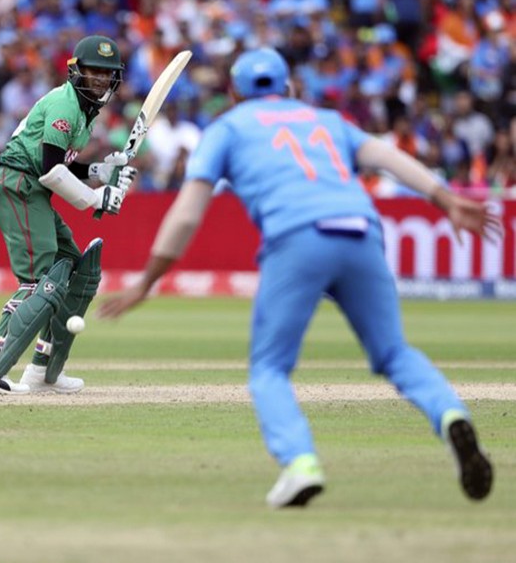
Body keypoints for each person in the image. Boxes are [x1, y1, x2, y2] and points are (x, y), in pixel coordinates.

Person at [99, 47, 498, 508]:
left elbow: (187, 215)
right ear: (288, 88)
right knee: (394, 353)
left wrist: (147, 282)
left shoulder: (227, 128)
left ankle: (300, 464)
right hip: (362, 231)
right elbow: (386, 156)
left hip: (296, 239)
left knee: (270, 368)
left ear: (233, 94)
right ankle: (450, 415)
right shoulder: (324, 119)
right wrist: (443, 197)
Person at [0, 35, 137, 395]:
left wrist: (101, 171)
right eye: (93, 72)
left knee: (73, 267)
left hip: (31, 190)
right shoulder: (64, 104)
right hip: (17, 187)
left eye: (107, 74)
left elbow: (64, 166)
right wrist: (95, 199)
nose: (101, 80)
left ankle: (42, 369)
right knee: (40, 280)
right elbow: (49, 170)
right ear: (77, 72)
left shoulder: (85, 114)